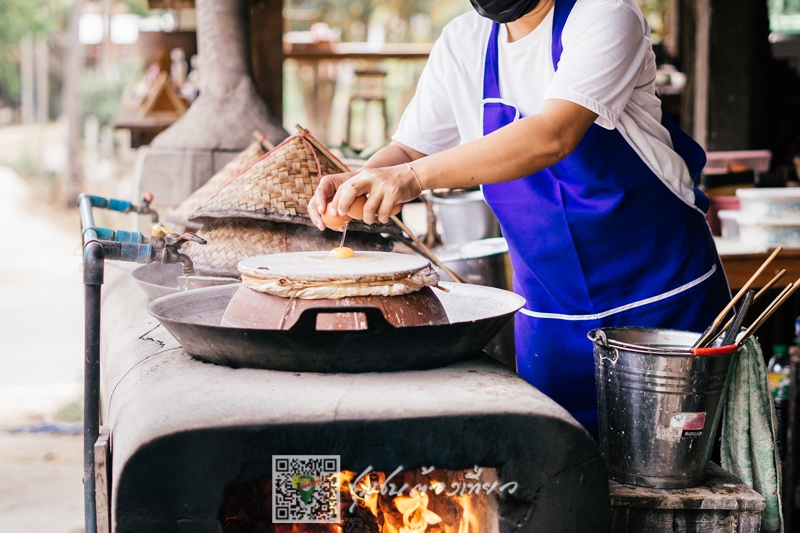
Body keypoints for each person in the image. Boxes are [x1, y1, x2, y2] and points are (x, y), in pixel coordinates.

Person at [308, 0, 730, 436]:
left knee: (678, 488)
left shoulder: (604, 13)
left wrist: (411, 178)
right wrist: (359, 183)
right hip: (550, 322)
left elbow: (553, 135)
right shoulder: (462, 42)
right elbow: (412, 150)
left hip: (663, 314)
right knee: (563, 482)